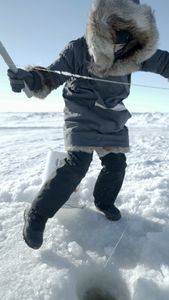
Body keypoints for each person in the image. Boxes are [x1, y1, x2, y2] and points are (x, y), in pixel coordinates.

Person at [8, 0, 169, 249]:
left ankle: (103, 201)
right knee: (78, 164)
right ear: (103, 22)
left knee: (116, 163)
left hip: (112, 115)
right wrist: (30, 78)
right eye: (116, 28)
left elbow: (164, 63)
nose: (122, 39)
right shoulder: (78, 49)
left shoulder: (135, 50)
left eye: (129, 31)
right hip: (81, 111)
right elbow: (51, 75)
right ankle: (37, 214)